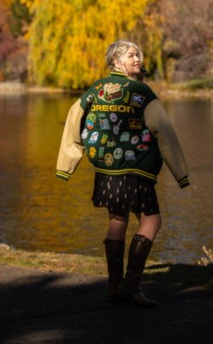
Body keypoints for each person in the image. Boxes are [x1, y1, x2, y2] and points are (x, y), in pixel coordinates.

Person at [56, 40, 189, 307]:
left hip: (106, 169)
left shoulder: (96, 89)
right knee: (152, 221)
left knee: (117, 220)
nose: (138, 59)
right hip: (136, 169)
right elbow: (164, 131)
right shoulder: (142, 92)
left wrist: (67, 163)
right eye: (131, 55)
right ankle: (131, 285)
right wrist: (180, 173)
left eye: (138, 55)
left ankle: (114, 287)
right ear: (116, 61)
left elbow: (74, 119)